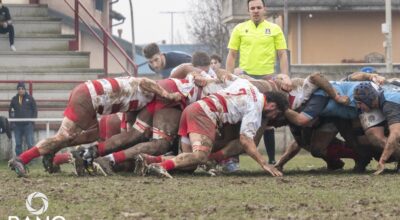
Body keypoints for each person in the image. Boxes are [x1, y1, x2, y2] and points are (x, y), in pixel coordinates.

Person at [8, 76, 181, 177]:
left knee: (91, 135)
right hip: (89, 98)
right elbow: (144, 81)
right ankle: (22, 158)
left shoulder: (140, 104)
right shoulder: (151, 90)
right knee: (63, 136)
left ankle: (50, 152)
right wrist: (168, 94)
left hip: (89, 95)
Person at [354, 82, 400, 175]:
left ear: (369, 99)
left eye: (360, 103)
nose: (358, 106)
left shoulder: (389, 103)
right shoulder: (383, 95)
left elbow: (396, 134)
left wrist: (382, 160)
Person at [9, 82, 37, 156]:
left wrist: (32, 121)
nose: (20, 90)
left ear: (25, 89)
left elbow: (35, 110)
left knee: (30, 143)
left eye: (22, 88)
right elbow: (11, 111)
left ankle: (30, 159)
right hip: (17, 125)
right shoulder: (14, 99)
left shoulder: (30, 98)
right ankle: (19, 160)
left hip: (28, 125)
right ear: (17, 90)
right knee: (18, 144)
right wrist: (12, 123)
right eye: (19, 89)